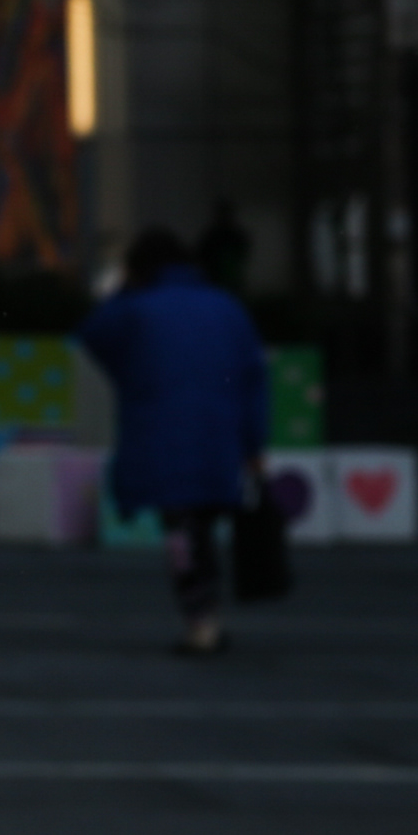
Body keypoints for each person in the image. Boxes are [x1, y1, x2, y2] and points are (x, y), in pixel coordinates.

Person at [77, 225, 271, 656]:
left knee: (182, 531)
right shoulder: (227, 307)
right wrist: (254, 446)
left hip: (163, 440)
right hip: (221, 440)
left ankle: (200, 620)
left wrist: (124, 291)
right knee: (203, 527)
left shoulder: (135, 310)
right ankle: (208, 614)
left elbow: (92, 334)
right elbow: (253, 380)